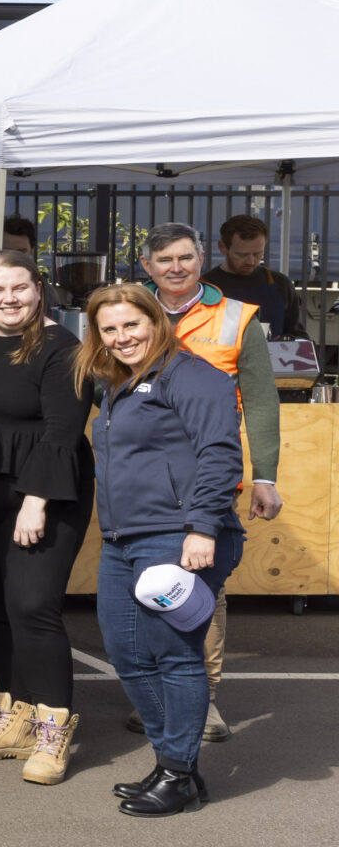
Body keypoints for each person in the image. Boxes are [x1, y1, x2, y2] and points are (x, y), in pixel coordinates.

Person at [80, 285, 244, 816]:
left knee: (173, 653)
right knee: (128, 655)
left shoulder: (193, 376)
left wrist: (203, 528)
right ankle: (177, 766)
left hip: (179, 535)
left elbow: (220, 454)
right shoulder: (118, 384)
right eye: (109, 329)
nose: (121, 337)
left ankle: (176, 773)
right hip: (123, 539)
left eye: (132, 324)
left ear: (156, 321)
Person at [0, 252, 93, 784]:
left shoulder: (62, 347)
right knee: (0, 609)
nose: (9, 299)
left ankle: (53, 732)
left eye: (20, 288)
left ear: (38, 290)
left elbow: (63, 429)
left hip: (43, 493)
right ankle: (14, 721)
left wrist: (36, 499)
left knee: (33, 606)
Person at [141, 220, 281, 744]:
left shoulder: (237, 317)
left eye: (186, 257)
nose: (176, 268)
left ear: (203, 259)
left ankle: (205, 700)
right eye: (164, 260)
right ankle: (161, 697)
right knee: (147, 581)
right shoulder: (131, 309)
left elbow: (262, 401)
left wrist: (265, 476)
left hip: (210, 472)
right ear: (147, 266)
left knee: (203, 586)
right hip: (144, 475)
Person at [207, 214, 305, 340]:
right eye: (242, 255)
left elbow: (298, 336)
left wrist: (285, 341)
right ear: (223, 247)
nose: (251, 261)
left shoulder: (280, 284)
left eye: (258, 254)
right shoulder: (205, 287)